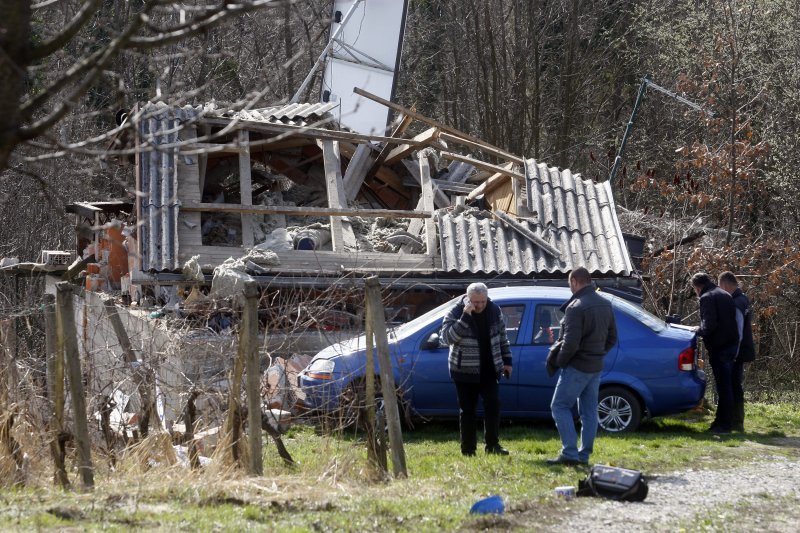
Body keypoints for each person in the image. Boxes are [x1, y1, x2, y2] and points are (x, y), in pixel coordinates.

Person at [547, 267, 617, 466]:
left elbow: (570, 343)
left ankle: (569, 453)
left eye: (570, 283)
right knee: (588, 412)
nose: (570, 288)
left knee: (559, 406)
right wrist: (598, 354)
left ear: (575, 281)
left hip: (577, 366)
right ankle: (584, 455)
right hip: (595, 366)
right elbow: (612, 338)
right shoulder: (605, 303)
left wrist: (560, 362)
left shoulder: (575, 307)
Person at [441, 282, 513, 456]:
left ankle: (492, 446)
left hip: (490, 369)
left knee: (493, 405)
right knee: (467, 411)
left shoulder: (495, 311)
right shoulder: (455, 312)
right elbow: (447, 338)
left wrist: (507, 360)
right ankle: (468, 450)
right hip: (464, 371)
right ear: (468, 299)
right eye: (475, 302)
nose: (479, 305)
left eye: (483, 301)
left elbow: (503, 337)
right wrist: (465, 317)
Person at [691, 272, 740, 434]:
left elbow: (709, 324)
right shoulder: (725, 294)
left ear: (698, 288)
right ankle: (726, 421)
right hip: (731, 345)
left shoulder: (707, 297)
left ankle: (723, 425)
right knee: (727, 386)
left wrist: (697, 331)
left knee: (723, 387)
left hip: (720, 348)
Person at [717, 271, 756, 432]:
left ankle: (736, 421)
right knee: (735, 385)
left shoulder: (736, 303)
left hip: (736, 352)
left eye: (720, 287)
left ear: (725, 285)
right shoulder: (743, 299)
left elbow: (738, 331)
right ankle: (736, 420)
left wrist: (733, 353)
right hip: (741, 350)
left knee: (733, 385)